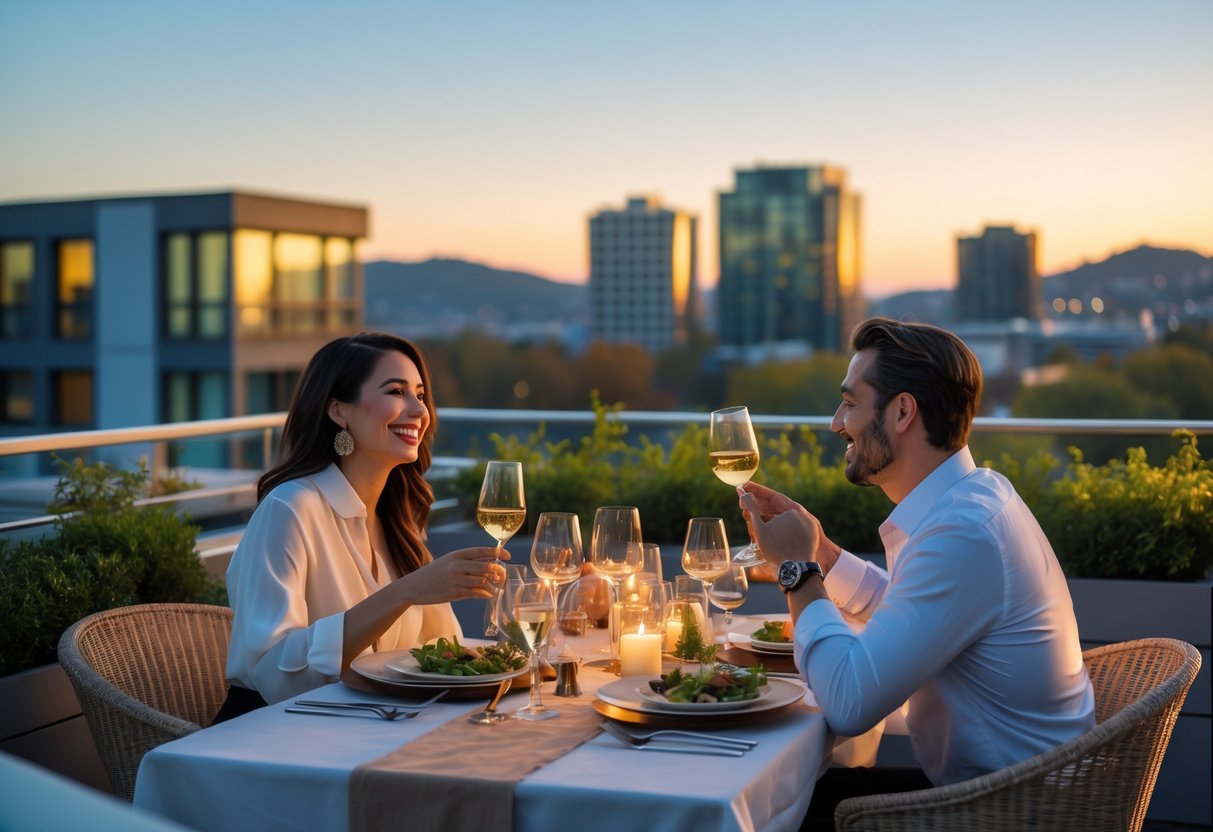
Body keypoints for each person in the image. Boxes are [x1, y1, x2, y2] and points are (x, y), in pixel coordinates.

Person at [737, 317, 1095, 829]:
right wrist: (825, 553)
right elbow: (910, 611)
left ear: (903, 411)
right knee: (801, 795)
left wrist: (800, 569)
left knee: (782, 809)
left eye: (850, 403)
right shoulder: (974, 498)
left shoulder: (963, 533)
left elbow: (849, 702)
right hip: (1004, 792)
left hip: (1005, 813)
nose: (836, 422)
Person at [218, 332, 507, 716]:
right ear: (339, 411)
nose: (419, 411)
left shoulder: (397, 521)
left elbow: (443, 648)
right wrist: (405, 592)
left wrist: (549, 612)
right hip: (270, 736)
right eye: (395, 391)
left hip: (367, 725)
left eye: (420, 395)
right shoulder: (290, 509)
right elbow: (273, 672)